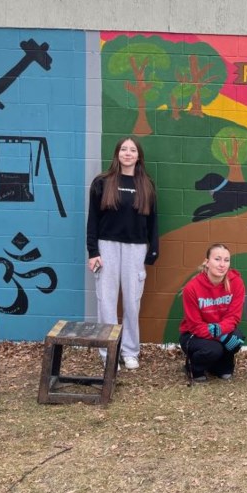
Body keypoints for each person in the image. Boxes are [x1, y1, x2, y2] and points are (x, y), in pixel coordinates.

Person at [86, 137, 159, 370]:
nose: (128, 153)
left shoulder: (146, 184)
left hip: (136, 249)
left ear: (139, 156)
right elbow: (93, 220)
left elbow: (154, 220)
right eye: (124, 149)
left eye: (133, 150)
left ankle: (129, 351)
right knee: (106, 301)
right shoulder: (102, 182)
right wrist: (93, 251)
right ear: (117, 154)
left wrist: (153, 249)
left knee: (132, 301)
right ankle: (109, 352)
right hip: (106, 246)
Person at [179, 243, 247, 382]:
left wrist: (220, 330)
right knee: (214, 349)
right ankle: (194, 368)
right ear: (207, 262)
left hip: (220, 329)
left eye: (226, 260)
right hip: (194, 334)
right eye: (217, 259)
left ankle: (220, 366)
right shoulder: (192, 288)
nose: (222, 264)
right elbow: (194, 325)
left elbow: (233, 317)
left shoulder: (236, 283)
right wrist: (221, 337)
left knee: (237, 338)